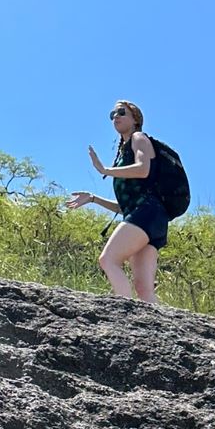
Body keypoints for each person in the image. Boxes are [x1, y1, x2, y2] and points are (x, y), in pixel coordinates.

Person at [66, 100, 166, 303]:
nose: (116, 117)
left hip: (147, 214)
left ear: (135, 119)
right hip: (151, 219)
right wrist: (93, 198)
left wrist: (105, 170)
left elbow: (142, 168)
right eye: (112, 114)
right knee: (144, 288)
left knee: (108, 259)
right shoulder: (123, 151)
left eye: (122, 112)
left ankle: (124, 316)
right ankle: (155, 329)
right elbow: (126, 209)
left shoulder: (139, 138)